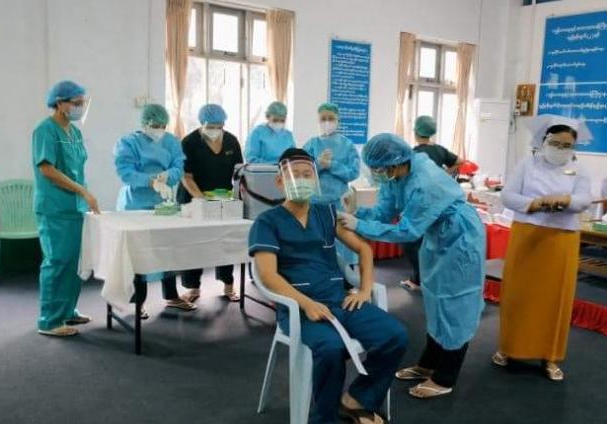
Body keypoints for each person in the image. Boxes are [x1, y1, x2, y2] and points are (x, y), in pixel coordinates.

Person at [250, 148, 407, 424]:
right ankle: (325, 417)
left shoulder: (327, 214)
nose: (301, 180)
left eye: (307, 174)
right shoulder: (267, 222)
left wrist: (365, 290)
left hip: (340, 301)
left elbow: (364, 249)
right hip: (300, 310)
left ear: (315, 179)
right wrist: (306, 304)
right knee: (331, 348)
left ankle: (356, 399)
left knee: (395, 336)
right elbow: (268, 275)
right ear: (280, 181)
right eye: (294, 175)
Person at [337, 133, 485, 399]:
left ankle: (446, 376)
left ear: (395, 163)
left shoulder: (425, 182)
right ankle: (429, 363)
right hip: (437, 235)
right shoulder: (396, 176)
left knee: (454, 303)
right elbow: (384, 211)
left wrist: (359, 225)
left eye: (379, 170)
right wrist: (356, 213)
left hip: (460, 238)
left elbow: (407, 231)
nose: (377, 174)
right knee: (435, 300)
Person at [493, 120, 592, 381]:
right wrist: (535, 204)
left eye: (567, 145)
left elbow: (585, 200)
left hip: (562, 238)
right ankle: (508, 347)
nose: (560, 149)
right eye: (555, 143)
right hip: (527, 234)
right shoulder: (527, 164)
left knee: (555, 298)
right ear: (544, 141)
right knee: (517, 294)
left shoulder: (579, 169)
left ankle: (550, 356)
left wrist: (566, 201)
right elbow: (508, 196)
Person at [32, 80, 100, 337]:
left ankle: (68, 311)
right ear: (60, 103)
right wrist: (82, 191)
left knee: (73, 261)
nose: (81, 107)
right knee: (57, 261)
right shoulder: (45, 130)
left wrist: (84, 195)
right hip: (55, 207)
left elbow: (77, 169)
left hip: (75, 207)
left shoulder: (75, 132)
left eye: (83, 102)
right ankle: (49, 321)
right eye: (76, 102)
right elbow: (47, 170)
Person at [114, 104, 195, 317]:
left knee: (167, 247)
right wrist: (150, 181)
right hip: (136, 203)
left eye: (162, 125)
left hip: (163, 201)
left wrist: (167, 176)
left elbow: (179, 165)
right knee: (138, 253)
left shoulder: (171, 141)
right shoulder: (129, 142)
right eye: (154, 125)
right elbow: (125, 172)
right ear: (144, 124)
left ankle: (171, 296)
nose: (159, 129)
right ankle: (137, 301)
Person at [177, 104, 244, 302]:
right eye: (210, 126)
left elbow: (239, 172)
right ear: (201, 123)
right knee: (193, 243)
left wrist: (236, 195)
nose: (215, 130)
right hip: (193, 197)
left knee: (226, 240)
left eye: (219, 126)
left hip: (222, 198)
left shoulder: (231, 141)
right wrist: (201, 199)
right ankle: (193, 288)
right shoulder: (189, 142)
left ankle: (228, 285)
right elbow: (186, 176)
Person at [399, 116, 464, 291]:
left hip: (422, 202)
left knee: (413, 242)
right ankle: (431, 279)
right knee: (434, 241)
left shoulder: (414, 153)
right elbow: (460, 161)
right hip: (439, 201)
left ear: (416, 132)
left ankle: (418, 280)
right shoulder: (439, 150)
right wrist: (444, 174)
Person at [303, 102, 361, 265]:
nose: (327, 122)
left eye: (331, 118)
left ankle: (345, 275)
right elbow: (302, 172)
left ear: (338, 120)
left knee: (342, 244)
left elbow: (354, 172)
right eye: (323, 119)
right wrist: (318, 164)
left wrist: (332, 165)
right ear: (318, 121)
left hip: (339, 203)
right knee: (316, 244)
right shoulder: (312, 144)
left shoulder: (347, 145)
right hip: (315, 203)